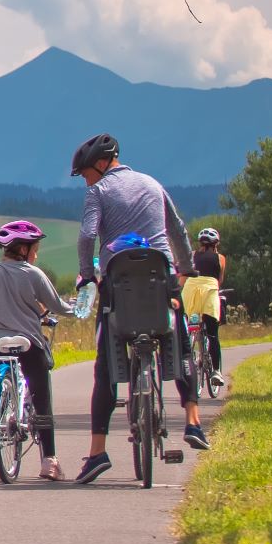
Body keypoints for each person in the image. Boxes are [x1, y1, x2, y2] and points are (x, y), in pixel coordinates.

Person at [69, 133, 204, 484]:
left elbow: (86, 236)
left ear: (101, 164)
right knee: (180, 339)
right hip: (161, 276)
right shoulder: (152, 183)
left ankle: (98, 452)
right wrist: (186, 268)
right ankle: (193, 422)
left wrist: (87, 275)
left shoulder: (98, 192)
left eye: (85, 174)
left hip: (119, 282)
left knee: (104, 363)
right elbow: (177, 229)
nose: (86, 180)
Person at [0, 219, 70, 481]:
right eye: (35, 248)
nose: (36, 253)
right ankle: (49, 461)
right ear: (24, 250)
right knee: (41, 397)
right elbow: (57, 306)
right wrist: (77, 308)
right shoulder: (34, 274)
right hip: (30, 344)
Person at [187, 226, 228, 385]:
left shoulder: (191, 255)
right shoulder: (220, 258)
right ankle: (216, 372)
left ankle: (188, 349)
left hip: (191, 294)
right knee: (212, 334)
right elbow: (219, 280)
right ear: (216, 244)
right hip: (209, 292)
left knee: (190, 325)